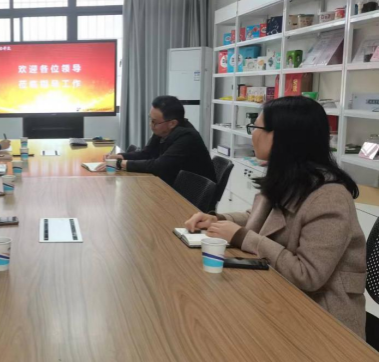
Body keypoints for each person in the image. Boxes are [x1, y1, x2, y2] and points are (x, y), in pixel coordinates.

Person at [185, 96, 366, 338]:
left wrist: (241, 236)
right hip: (278, 296)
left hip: (323, 321)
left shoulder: (330, 197)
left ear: (282, 137)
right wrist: (218, 220)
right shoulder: (287, 176)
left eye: (257, 128)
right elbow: (259, 218)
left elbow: (308, 275)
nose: (252, 134)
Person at [107, 96, 215, 185]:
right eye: (150, 119)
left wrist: (120, 164)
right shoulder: (162, 130)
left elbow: (160, 166)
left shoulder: (188, 137)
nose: (151, 125)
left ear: (172, 123)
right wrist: (120, 157)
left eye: (154, 122)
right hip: (172, 184)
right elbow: (146, 153)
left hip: (191, 194)